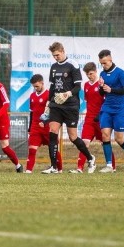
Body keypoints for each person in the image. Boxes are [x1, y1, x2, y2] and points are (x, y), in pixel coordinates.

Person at [43, 41, 96, 174]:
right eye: (54, 55)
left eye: (57, 55)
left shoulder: (73, 64)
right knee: (52, 132)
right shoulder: (54, 67)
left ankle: (90, 158)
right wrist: (48, 104)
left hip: (71, 105)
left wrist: (68, 93)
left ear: (63, 51)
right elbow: (52, 87)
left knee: (73, 137)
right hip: (56, 105)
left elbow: (78, 86)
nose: (56, 57)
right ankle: (54, 167)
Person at [97, 48, 124, 173]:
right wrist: (101, 87)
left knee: (119, 139)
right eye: (101, 63)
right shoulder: (102, 74)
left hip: (121, 109)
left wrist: (111, 90)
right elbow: (101, 93)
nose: (103, 65)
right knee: (105, 135)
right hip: (107, 108)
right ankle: (109, 165)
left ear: (110, 59)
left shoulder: (120, 73)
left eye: (105, 63)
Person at [72, 62, 113, 173]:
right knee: (84, 143)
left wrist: (101, 115)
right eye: (87, 74)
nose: (90, 76)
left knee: (106, 141)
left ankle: (111, 166)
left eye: (91, 73)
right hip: (89, 119)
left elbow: (106, 101)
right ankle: (80, 168)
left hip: (101, 118)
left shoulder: (102, 84)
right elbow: (88, 102)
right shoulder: (85, 85)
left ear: (95, 71)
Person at [26, 74, 62, 173]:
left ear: (42, 83)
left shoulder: (49, 94)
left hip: (47, 127)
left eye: (37, 86)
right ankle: (28, 171)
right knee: (32, 149)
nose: (35, 88)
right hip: (35, 127)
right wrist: (30, 128)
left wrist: (46, 121)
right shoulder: (32, 96)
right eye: (34, 86)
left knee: (54, 149)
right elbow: (32, 113)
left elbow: (54, 112)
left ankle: (59, 169)